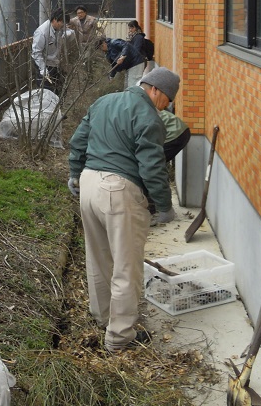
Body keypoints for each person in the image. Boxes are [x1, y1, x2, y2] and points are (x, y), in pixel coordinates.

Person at [66, 67, 180, 353]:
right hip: (118, 191)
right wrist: (164, 206)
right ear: (155, 90)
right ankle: (119, 338)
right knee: (126, 268)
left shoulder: (104, 101)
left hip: (89, 184)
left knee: (99, 258)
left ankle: (104, 319)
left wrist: (73, 172)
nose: (168, 106)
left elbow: (79, 140)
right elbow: (152, 165)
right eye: (168, 99)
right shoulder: (148, 116)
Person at [31, 10, 67, 94]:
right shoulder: (42, 32)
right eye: (61, 22)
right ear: (54, 20)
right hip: (44, 65)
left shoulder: (57, 29)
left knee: (59, 89)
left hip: (55, 63)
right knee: (46, 91)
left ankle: (58, 105)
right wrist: (43, 69)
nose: (62, 25)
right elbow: (36, 53)